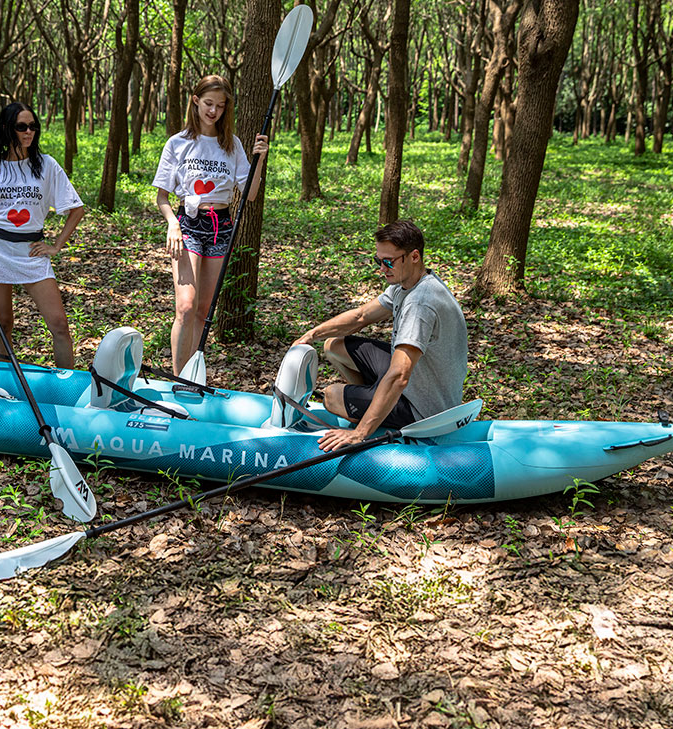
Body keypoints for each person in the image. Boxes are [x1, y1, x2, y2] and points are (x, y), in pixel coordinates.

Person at [293, 219, 467, 452]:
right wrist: (311, 334)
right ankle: (373, 400)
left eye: (388, 262)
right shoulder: (405, 285)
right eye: (378, 260)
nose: (382, 268)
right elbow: (360, 317)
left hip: (426, 410)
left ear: (414, 256)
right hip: (421, 379)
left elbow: (399, 376)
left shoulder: (420, 304)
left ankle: (373, 411)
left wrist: (359, 434)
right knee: (333, 345)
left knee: (332, 396)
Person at [153, 75, 269, 374]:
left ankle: (193, 375)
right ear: (195, 101)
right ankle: (178, 379)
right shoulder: (178, 143)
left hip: (221, 225)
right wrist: (173, 225)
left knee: (204, 310)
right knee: (186, 307)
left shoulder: (231, 145)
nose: (213, 111)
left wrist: (259, 161)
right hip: (187, 224)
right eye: (208, 103)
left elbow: (251, 194)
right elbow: (162, 197)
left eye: (220, 106)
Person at [0, 101, 85, 368]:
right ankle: (5, 382)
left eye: (33, 126)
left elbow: (76, 209)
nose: (29, 132)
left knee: (59, 325)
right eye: (22, 127)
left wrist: (55, 246)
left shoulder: (47, 166)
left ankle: (68, 387)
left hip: (32, 254)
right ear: (8, 129)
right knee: (3, 324)